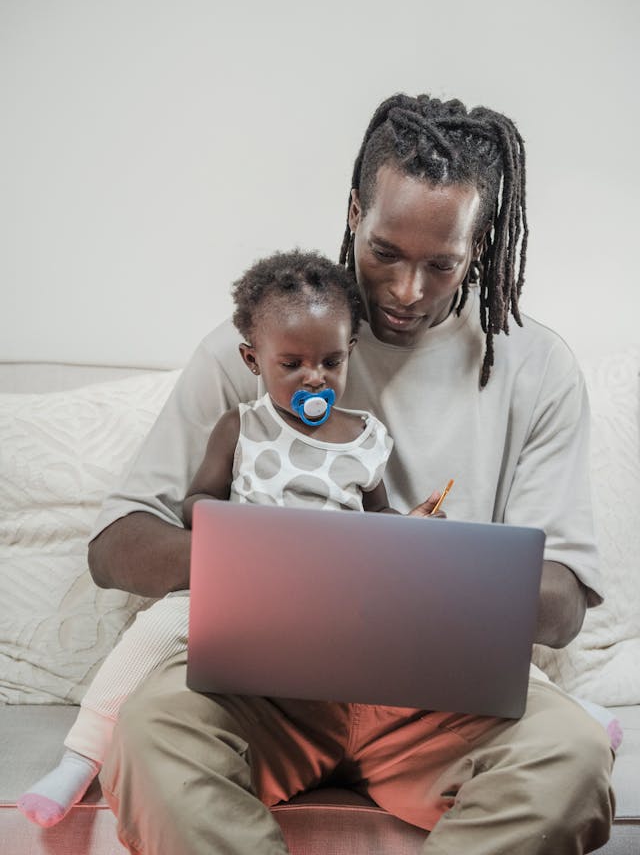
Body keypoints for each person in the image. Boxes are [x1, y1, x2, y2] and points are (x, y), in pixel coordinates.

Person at [86, 93, 615, 855]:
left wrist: (415, 577)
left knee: (570, 758)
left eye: (442, 264)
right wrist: (280, 563)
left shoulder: (536, 367)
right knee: (149, 738)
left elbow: (562, 604)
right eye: (387, 252)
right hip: (259, 691)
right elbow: (115, 549)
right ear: (355, 210)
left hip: (443, 699)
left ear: (482, 242)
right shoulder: (264, 343)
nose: (407, 291)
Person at [17, 250, 441, 829]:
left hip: (339, 598)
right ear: (253, 359)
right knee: (155, 630)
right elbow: (199, 499)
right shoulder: (243, 425)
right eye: (292, 364)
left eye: (329, 361)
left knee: (438, 623)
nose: (313, 378)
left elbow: (379, 514)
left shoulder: (368, 439)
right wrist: (230, 532)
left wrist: (410, 527)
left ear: (349, 354)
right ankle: (79, 758)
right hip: (246, 585)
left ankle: (552, 702)